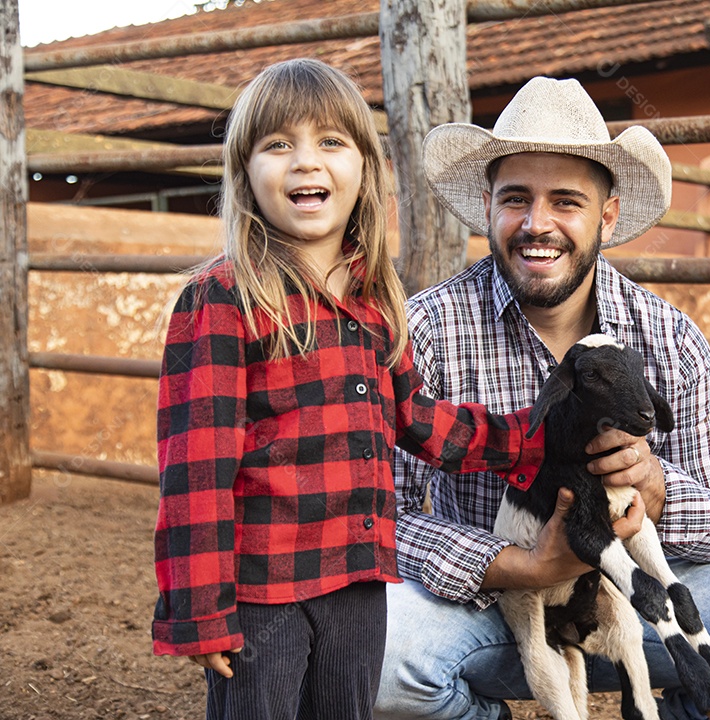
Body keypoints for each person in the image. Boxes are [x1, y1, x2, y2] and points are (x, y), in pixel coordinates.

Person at [376, 77, 710, 720]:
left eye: (566, 201)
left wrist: (657, 489)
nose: (537, 224)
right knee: (379, 658)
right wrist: (514, 564)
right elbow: (378, 511)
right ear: (486, 204)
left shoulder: (667, 335)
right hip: (491, 606)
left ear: (608, 215)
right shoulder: (428, 330)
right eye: (516, 198)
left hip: (635, 592)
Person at [151, 59, 546, 720]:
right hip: (262, 592)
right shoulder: (223, 299)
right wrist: (198, 609)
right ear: (245, 173)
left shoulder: (375, 305)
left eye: (331, 142)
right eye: (278, 145)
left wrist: (530, 437)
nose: (306, 162)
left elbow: (419, 421)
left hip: (359, 582)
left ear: (365, 168)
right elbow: (195, 472)